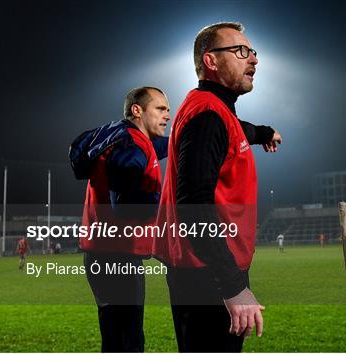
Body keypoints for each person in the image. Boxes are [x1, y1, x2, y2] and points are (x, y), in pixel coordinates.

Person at [153, 22, 282, 352]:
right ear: (210, 61)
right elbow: (193, 206)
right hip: (206, 275)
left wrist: (265, 133)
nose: (252, 59)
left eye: (252, 52)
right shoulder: (208, 115)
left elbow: (240, 130)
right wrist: (233, 286)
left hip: (205, 270)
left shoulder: (213, 109)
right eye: (240, 51)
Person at [69, 87, 170, 352]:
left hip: (100, 254)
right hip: (119, 257)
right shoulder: (131, 144)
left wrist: (249, 133)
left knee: (115, 340)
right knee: (128, 342)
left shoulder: (116, 136)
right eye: (160, 108)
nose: (167, 115)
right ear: (137, 110)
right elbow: (125, 205)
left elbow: (178, 142)